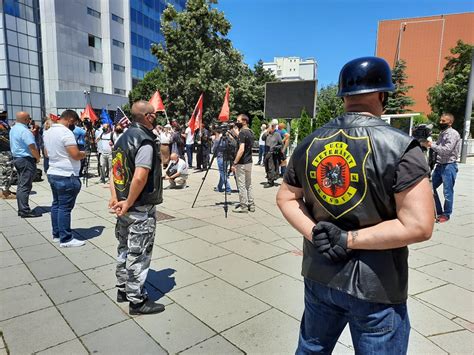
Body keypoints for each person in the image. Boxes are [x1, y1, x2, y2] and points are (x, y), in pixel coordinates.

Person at [276, 57, 435, 354]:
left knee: (311, 349)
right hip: (377, 285)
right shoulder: (402, 146)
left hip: (319, 273)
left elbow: (285, 197)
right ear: (382, 94)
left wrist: (316, 234)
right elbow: (419, 225)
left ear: (344, 96)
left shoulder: (309, 143)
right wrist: (348, 239)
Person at [109, 100, 165, 315]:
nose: (156, 117)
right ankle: (137, 300)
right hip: (138, 207)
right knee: (138, 254)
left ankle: (123, 289)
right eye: (155, 114)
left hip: (124, 205)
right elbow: (140, 176)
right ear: (148, 117)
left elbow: (116, 173)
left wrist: (115, 198)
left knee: (124, 248)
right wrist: (129, 202)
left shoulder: (122, 138)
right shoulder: (145, 140)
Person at [43, 110, 86, 247]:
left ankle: (57, 233)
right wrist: (83, 154)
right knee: (65, 208)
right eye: (74, 122)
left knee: (56, 205)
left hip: (53, 171)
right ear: (71, 120)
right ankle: (66, 238)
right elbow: (75, 154)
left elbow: (46, 153)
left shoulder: (48, 131)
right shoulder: (66, 132)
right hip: (66, 174)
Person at [422, 113, 461, 223]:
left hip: (449, 166)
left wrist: (430, 145)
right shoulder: (442, 133)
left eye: (443, 121)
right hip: (439, 166)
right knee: (431, 188)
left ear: (450, 123)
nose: (440, 122)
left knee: (448, 192)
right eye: (440, 120)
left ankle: (446, 214)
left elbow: (446, 150)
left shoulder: (453, 134)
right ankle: (438, 211)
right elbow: (438, 145)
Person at [9, 111, 41, 218]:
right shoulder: (25, 131)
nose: (30, 120)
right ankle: (24, 210)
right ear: (26, 120)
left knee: (21, 184)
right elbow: (32, 147)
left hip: (17, 158)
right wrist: (37, 158)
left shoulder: (13, 129)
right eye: (29, 118)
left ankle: (22, 208)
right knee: (25, 185)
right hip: (26, 159)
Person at [231, 114, 255, 213]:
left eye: (238, 120)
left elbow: (241, 149)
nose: (237, 122)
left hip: (242, 163)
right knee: (249, 184)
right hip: (249, 162)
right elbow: (243, 139)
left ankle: (244, 206)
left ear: (244, 121)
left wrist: (234, 163)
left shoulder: (242, 133)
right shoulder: (250, 132)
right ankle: (251, 204)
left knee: (241, 185)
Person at [262, 121, 283, 188]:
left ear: (273, 127)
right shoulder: (267, 134)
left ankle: (270, 181)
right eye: (268, 127)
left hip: (272, 153)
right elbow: (263, 138)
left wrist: (275, 148)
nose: (268, 128)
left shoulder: (277, 134)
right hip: (266, 152)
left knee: (271, 167)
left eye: (270, 127)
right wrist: (266, 132)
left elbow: (281, 144)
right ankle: (270, 178)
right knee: (266, 167)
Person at [212, 129, 231, 194]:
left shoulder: (217, 140)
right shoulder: (229, 139)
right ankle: (219, 187)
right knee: (223, 172)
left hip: (221, 157)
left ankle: (228, 188)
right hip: (228, 158)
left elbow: (213, 149)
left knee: (223, 173)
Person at [0, 117, 14, 198]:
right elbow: (4, 138)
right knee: (6, 172)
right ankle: (5, 192)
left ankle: (4, 191)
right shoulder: (2, 124)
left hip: (5, 150)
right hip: (4, 151)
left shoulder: (4, 123)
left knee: (4, 172)